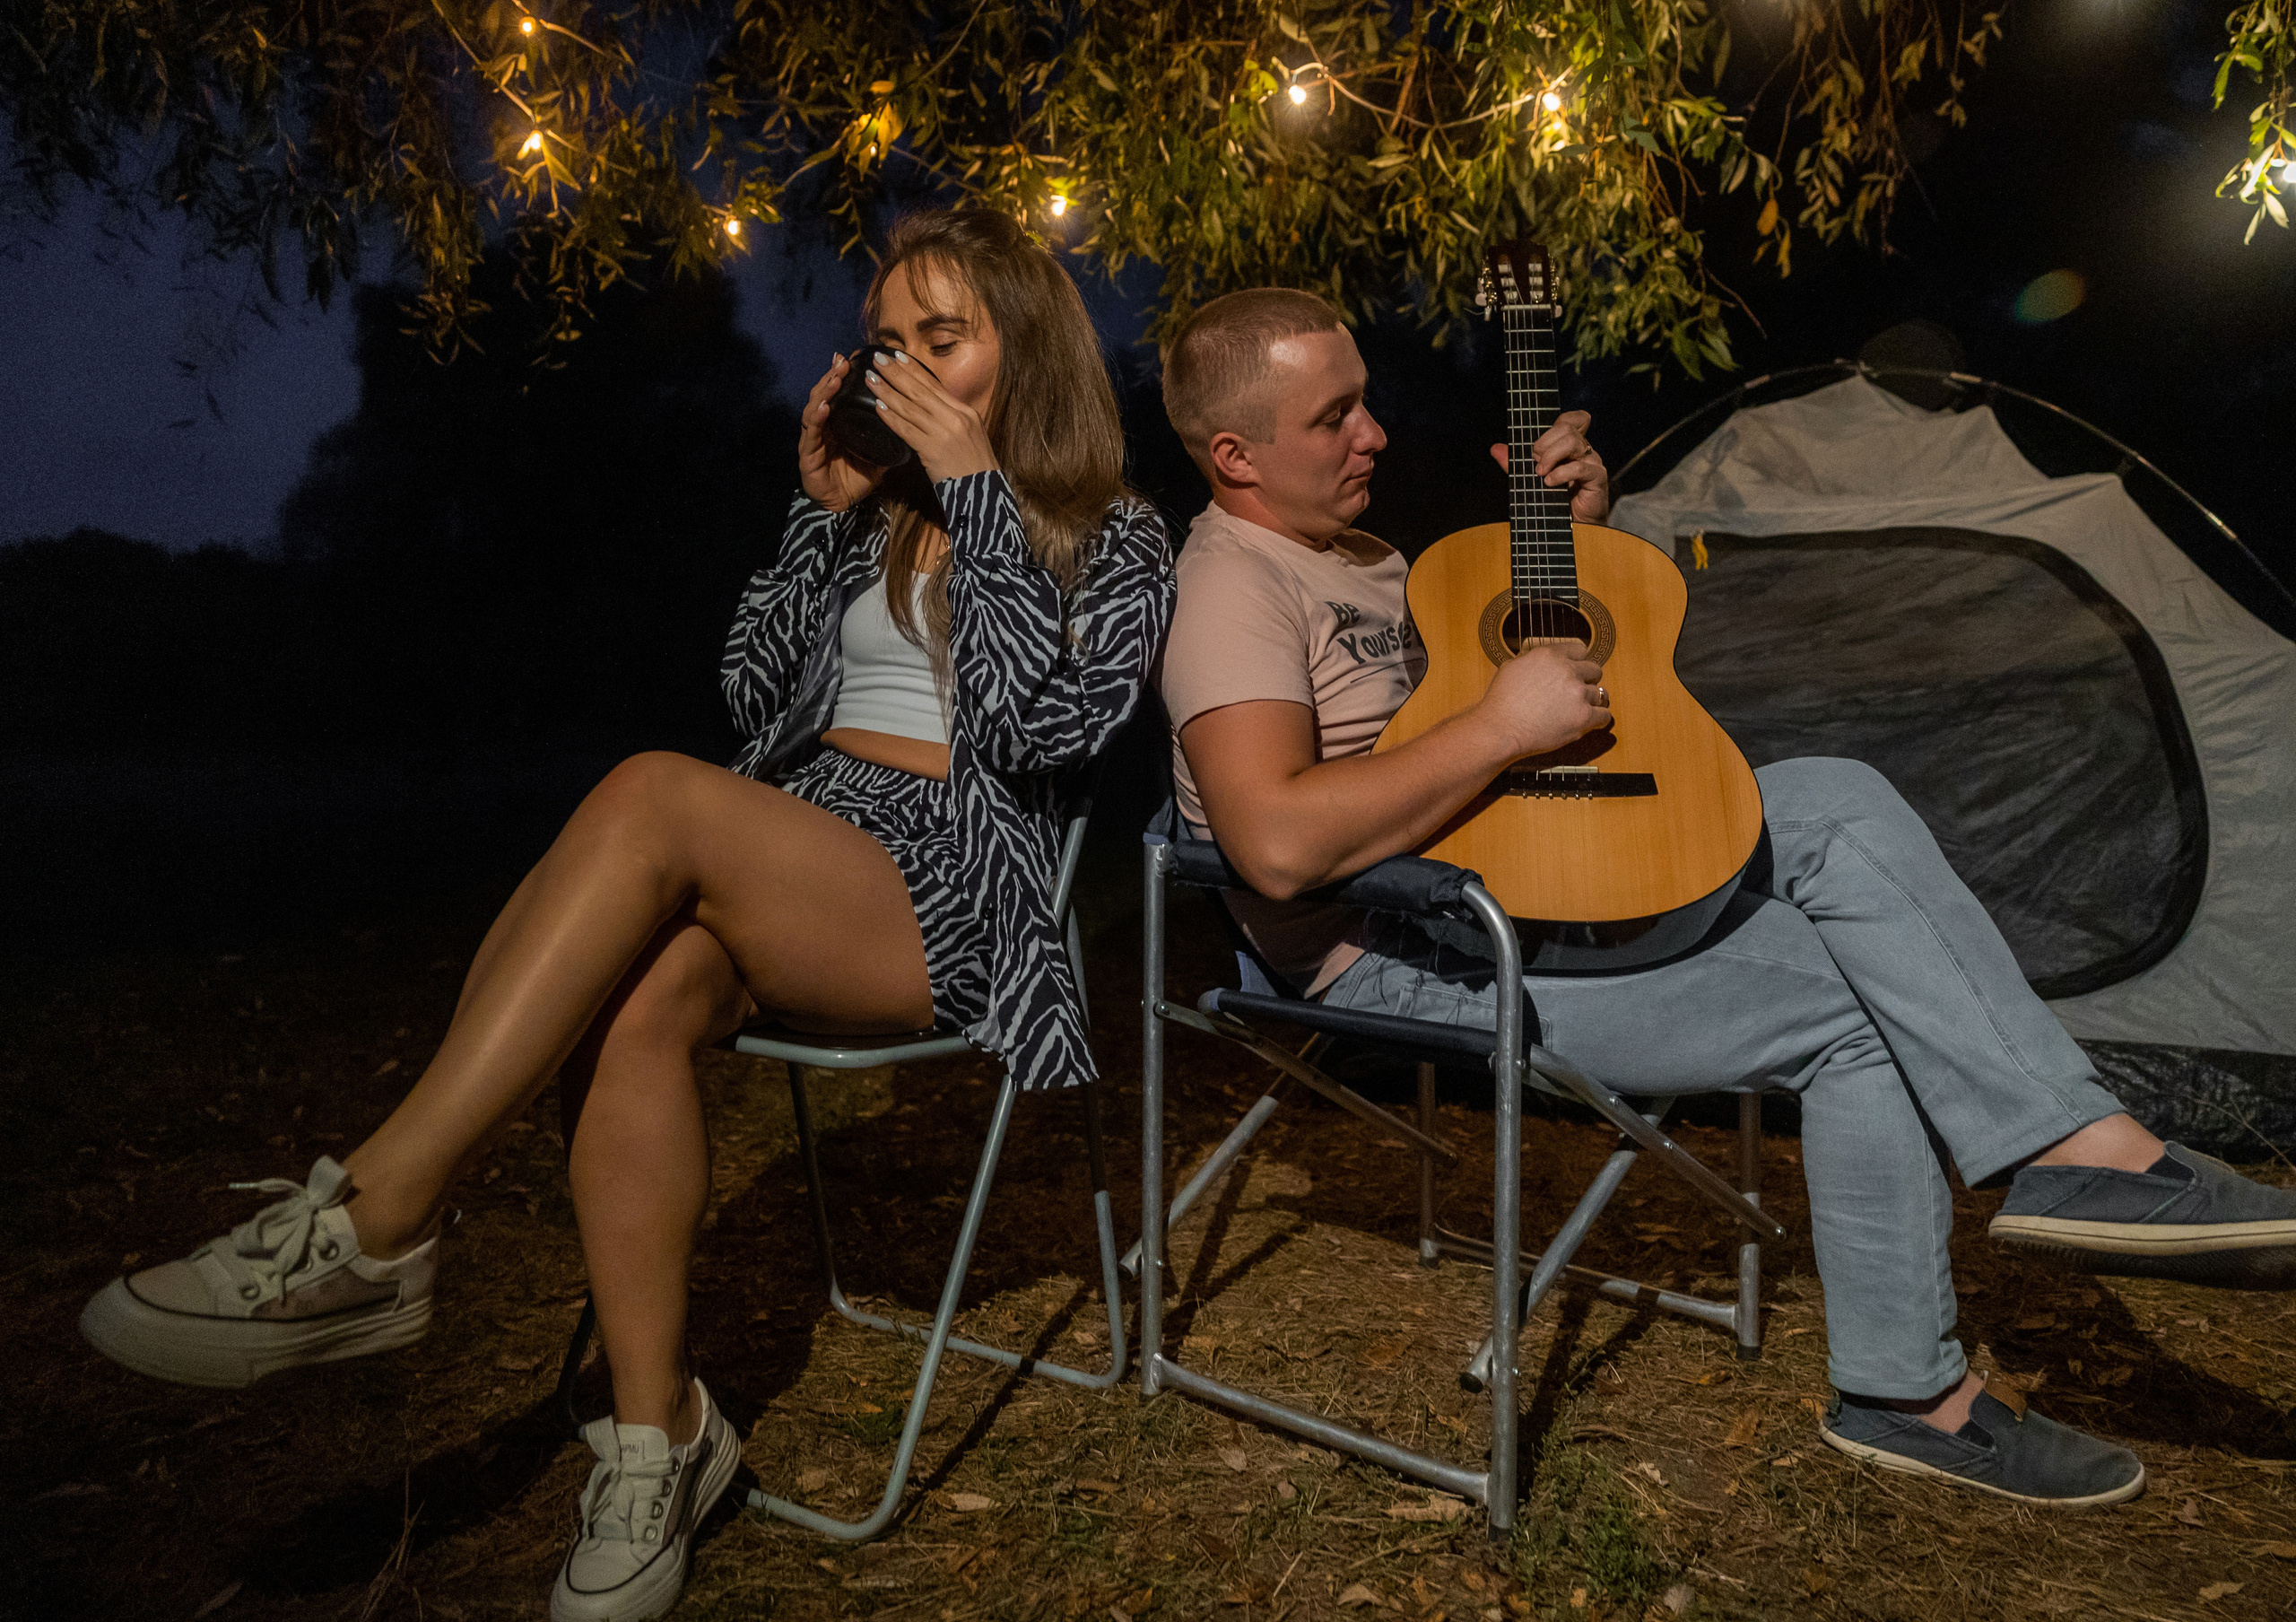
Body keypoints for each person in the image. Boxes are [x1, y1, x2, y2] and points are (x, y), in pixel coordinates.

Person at [79, 208, 1174, 1621]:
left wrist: (974, 493)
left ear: (1024, 353)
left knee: (655, 793)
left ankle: (381, 1217)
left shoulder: (1120, 532)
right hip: (805, 840)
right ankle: (663, 1444)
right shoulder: (874, 512)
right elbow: (757, 693)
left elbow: (1041, 732)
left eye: (940, 340)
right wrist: (820, 511)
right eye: (884, 340)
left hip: (957, 885)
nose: (895, 367)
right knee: (640, 997)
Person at [1154, 287, 2296, 1509]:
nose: (1373, 433)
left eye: (1367, 401)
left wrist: (1578, 540)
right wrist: (1498, 725)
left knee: (1839, 796)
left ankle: (2084, 1151)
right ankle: (1911, 1394)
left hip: (1504, 879)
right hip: (1407, 958)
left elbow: (1471, 697)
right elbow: (1272, 845)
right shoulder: (1233, 588)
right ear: (1235, 455)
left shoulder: (1361, 555)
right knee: (1864, 1011)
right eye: (1334, 418)